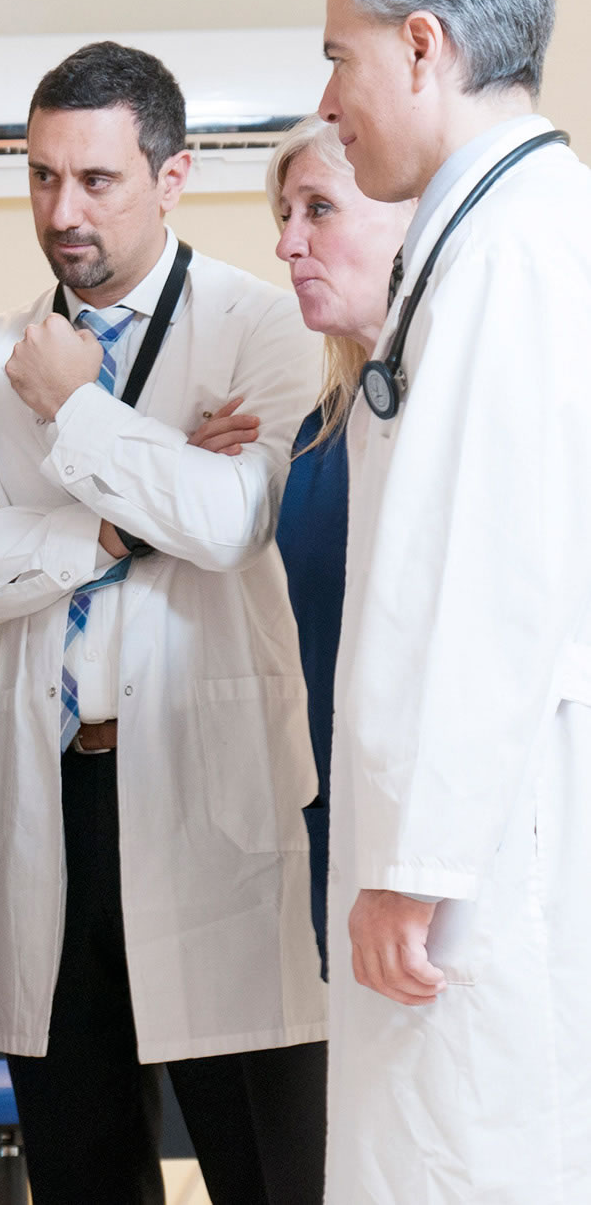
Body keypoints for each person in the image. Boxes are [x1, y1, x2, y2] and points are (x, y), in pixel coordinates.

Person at [0, 41, 328, 1205]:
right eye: (42, 177)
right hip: (60, 801)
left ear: (173, 175)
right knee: (83, 1170)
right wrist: (117, 519)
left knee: (270, 1170)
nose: (62, 211)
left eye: (96, 180)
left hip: (212, 789)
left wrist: (78, 411)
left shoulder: (263, 326)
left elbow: (233, 520)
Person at [319, 0, 591, 1203]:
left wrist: (413, 866)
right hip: (479, 835)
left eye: (340, 57)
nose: (330, 102)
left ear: (422, 46)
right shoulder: (501, 232)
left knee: (461, 1160)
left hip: (477, 858)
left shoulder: (513, 249)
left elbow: (490, 582)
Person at [262, 116, 415, 971]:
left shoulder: (453, 415)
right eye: (285, 216)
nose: (289, 244)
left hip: (437, 851)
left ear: (411, 219)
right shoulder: (321, 436)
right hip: (345, 830)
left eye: (318, 209)